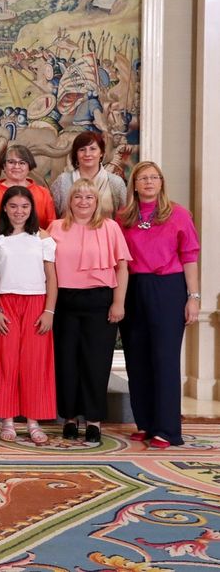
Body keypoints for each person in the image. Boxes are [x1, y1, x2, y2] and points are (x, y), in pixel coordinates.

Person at [118, 162, 199, 448]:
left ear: (161, 183)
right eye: (143, 178)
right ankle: (146, 423)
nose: (149, 182)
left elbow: (189, 256)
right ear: (135, 185)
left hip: (168, 288)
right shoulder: (123, 217)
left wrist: (193, 297)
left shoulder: (178, 214)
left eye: (154, 178)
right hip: (133, 288)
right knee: (136, 358)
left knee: (164, 359)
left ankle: (167, 429)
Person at [49, 178, 130, 443]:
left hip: (100, 302)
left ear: (97, 202)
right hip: (65, 302)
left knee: (95, 363)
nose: (83, 202)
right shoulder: (55, 228)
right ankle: (70, 418)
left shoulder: (110, 228)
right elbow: (46, 270)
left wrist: (118, 303)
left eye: (89, 198)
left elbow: (122, 268)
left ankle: (93, 420)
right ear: (69, 201)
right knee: (67, 362)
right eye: (78, 197)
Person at [0, 186, 58, 444]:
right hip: (5, 303)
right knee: (6, 362)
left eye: (24, 207)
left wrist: (49, 311)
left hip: (37, 303)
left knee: (34, 363)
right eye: (13, 206)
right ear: (4, 207)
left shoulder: (43, 237)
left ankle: (33, 420)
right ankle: (7, 419)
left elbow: (52, 278)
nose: (19, 211)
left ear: (31, 209)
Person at [50, 131, 127, 219]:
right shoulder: (62, 181)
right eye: (82, 149)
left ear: (101, 153)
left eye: (93, 149)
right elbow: (51, 216)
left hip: (105, 232)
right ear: (76, 154)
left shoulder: (116, 182)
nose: (87, 154)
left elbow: (124, 218)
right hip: (69, 232)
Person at [0, 145, 57, 230]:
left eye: (22, 163)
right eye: (11, 162)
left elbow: (52, 227)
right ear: (4, 166)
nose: (16, 166)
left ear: (29, 166)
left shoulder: (44, 193)